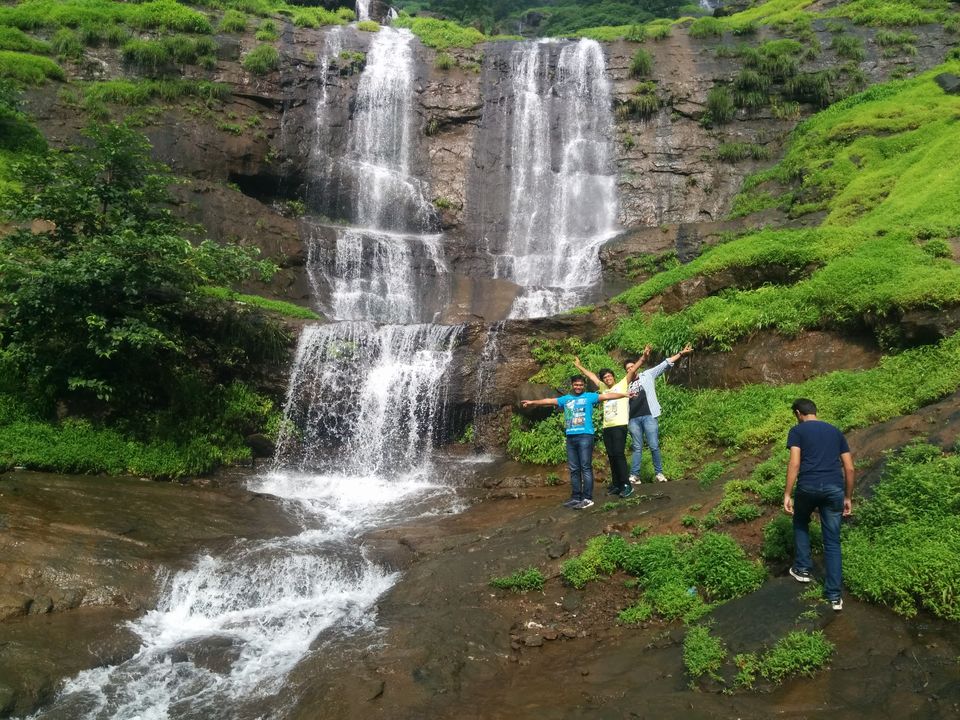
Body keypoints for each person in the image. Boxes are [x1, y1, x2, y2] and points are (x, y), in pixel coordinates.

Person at [782, 398, 854, 612]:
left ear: (798, 413)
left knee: (801, 520)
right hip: (834, 489)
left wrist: (787, 493)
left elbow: (795, 462)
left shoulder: (798, 431)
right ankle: (834, 597)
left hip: (808, 486)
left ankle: (803, 569)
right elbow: (849, 468)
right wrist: (848, 497)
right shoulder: (835, 431)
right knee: (832, 542)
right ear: (815, 411)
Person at [521, 376, 627, 510]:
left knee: (585, 467)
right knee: (574, 469)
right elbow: (548, 400)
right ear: (572, 385)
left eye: (581, 385)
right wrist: (532, 402)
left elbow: (607, 396)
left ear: (584, 386)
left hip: (585, 436)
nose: (578, 387)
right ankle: (576, 497)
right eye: (576, 385)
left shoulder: (589, 397)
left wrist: (624, 394)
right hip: (571, 437)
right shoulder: (566, 399)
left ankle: (587, 498)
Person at [573, 355, 639, 498]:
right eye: (605, 377)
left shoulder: (621, 384)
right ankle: (616, 484)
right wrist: (579, 366)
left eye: (609, 376)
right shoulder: (602, 387)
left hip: (619, 425)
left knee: (619, 454)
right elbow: (590, 376)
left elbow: (633, 370)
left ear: (614, 377)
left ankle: (627, 484)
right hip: (607, 426)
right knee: (611, 455)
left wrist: (644, 357)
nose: (607, 378)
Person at [626, 344, 693, 483]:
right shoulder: (625, 384)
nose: (631, 370)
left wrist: (681, 353)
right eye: (627, 369)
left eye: (632, 367)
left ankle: (659, 473)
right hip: (633, 419)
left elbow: (665, 364)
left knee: (654, 445)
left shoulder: (647, 374)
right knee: (637, 447)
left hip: (649, 416)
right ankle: (635, 475)